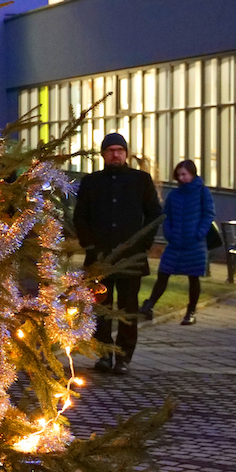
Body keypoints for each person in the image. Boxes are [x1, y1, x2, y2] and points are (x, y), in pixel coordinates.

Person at [72, 132, 162, 376]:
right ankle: (103, 355)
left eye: (119, 150)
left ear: (126, 154)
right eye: (110, 150)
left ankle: (123, 357)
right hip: (99, 259)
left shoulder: (140, 180)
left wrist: (143, 244)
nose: (115, 154)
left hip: (130, 258)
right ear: (103, 154)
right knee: (101, 309)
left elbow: (154, 213)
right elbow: (80, 217)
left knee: (127, 310)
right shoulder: (91, 182)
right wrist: (89, 245)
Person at [142, 159, 216, 326]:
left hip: (194, 244)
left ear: (192, 174)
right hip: (175, 243)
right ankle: (149, 305)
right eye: (179, 175)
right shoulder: (174, 195)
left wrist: (199, 233)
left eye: (185, 174)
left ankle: (191, 312)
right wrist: (169, 233)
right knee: (163, 274)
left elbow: (208, 214)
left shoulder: (203, 192)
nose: (181, 178)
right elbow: (166, 216)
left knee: (193, 278)